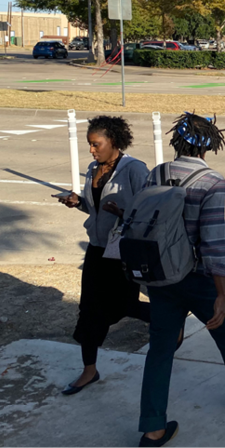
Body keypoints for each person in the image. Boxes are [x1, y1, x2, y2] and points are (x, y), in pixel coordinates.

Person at [137, 113, 225, 448]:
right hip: (200, 277)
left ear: (177, 142)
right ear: (209, 144)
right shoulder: (211, 180)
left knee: (159, 349)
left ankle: (152, 427)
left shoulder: (155, 173)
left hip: (161, 276)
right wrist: (220, 292)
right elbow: (213, 242)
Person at [55, 116, 153, 396]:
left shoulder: (134, 170)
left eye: (96, 144)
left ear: (114, 142)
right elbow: (95, 208)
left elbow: (148, 212)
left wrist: (122, 214)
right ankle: (89, 370)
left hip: (123, 251)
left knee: (125, 306)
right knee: (88, 310)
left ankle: (168, 318)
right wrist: (78, 203)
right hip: (97, 249)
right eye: (89, 145)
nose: (91, 150)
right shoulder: (92, 169)